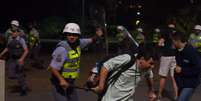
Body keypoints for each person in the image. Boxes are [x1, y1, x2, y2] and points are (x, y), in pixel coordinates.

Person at [48, 22, 103, 101]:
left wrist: (97, 35)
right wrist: (61, 80)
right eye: (69, 34)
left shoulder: (78, 43)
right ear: (65, 34)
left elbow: (91, 40)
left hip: (71, 82)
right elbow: (53, 68)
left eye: (75, 35)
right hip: (59, 83)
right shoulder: (62, 49)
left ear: (78, 36)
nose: (72, 37)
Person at [91, 47, 157, 101]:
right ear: (142, 59)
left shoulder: (147, 69)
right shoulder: (127, 59)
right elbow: (105, 66)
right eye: (151, 63)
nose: (152, 66)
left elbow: (149, 76)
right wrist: (101, 86)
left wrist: (151, 90)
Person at [171, 31, 201, 101]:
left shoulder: (191, 52)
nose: (172, 43)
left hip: (190, 83)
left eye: (173, 41)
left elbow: (198, 69)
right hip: (182, 83)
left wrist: (182, 70)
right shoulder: (177, 50)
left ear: (178, 41)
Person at [0, 29, 29, 96]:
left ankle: (23, 89)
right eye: (12, 32)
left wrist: (22, 59)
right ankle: (21, 77)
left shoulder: (21, 40)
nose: (12, 33)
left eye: (14, 32)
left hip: (19, 59)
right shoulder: (10, 39)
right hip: (12, 59)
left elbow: (26, 50)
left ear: (18, 33)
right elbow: (7, 48)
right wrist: (1, 54)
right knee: (11, 75)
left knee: (20, 75)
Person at [157, 25, 178, 100]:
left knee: (163, 76)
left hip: (166, 56)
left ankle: (159, 94)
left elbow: (159, 43)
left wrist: (161, 46)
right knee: (174, 77)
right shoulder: (176, 35)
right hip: (174, 56)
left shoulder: (165, 34)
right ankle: (176, 96)